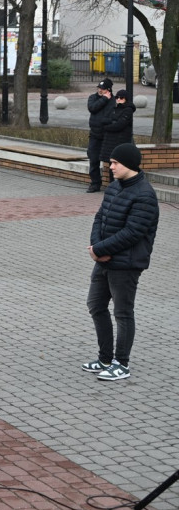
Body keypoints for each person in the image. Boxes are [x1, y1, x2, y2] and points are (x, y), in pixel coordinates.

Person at [82, 143, 158, 382]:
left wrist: (102, 249)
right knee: (95, 305)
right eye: (111, 162)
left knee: (123, 313)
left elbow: (133, 233)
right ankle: (105, 358)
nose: (111, 166)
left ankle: (121, 364)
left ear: (130, 165)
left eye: (115, 163)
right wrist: (96, 248)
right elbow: (99, 218)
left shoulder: (145, 195)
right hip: (103, 259)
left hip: (126, 264)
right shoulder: (114, 188)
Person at [99, 89, 135, 184]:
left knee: (121, 164)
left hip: (120, 142)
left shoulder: (128, 110)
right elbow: (104, 119)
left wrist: (108, 126)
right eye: (117, 97)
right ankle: (112, 185)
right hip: (112, 142)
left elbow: (119, 125)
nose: (118, 99)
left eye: (121, 98)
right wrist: (111, 122)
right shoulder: (115, 109)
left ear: (126, 99)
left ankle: (120, 185)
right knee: (112, 165)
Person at [85, 78, 114, 193]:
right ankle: (95, 183)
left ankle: (113, 185)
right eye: (99, 88)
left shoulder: (114, 101)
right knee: (93, 158)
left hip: (108, 135)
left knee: (112, 160)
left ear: (108, 89)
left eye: (102, 89)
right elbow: (93, 108)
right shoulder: (93, 98)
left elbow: (112, 116)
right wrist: (104, 99)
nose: (99, 90)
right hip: (95, 135)